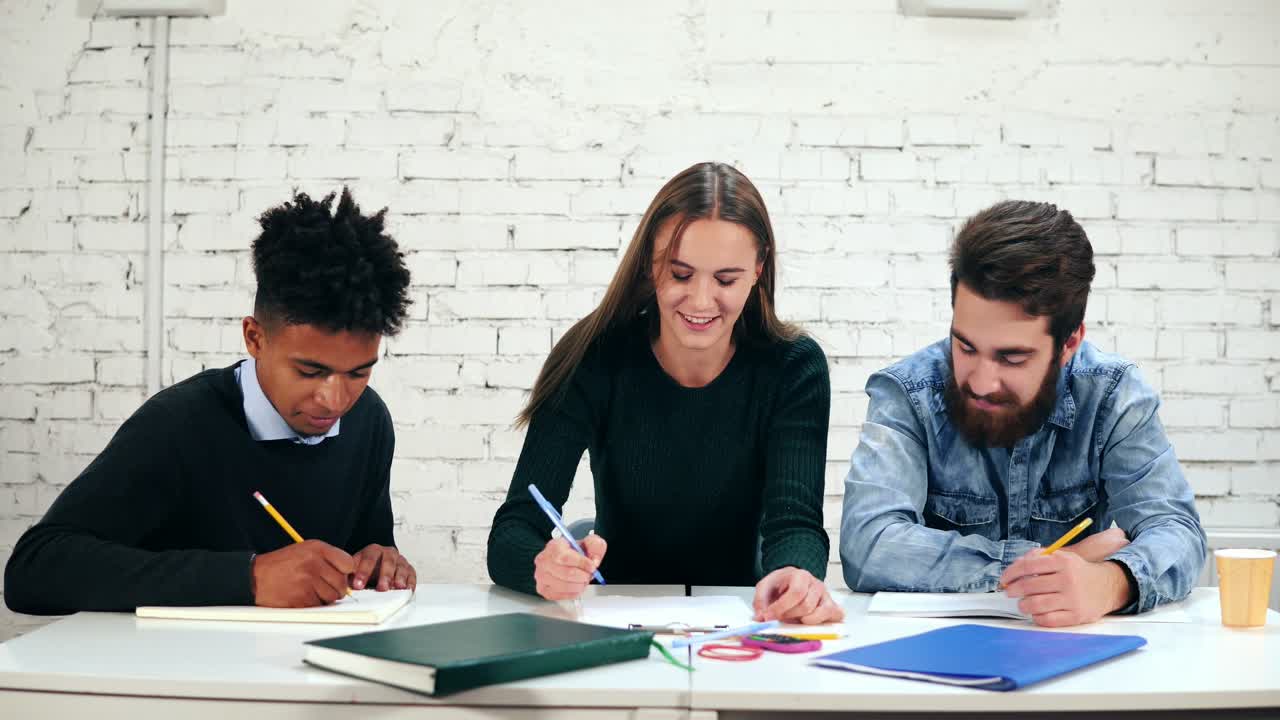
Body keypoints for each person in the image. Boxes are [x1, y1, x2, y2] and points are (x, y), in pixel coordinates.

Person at [5, 188, 418, 614]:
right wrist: (249, 578)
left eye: (358, 372)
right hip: (176, 673)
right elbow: (33, 570)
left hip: (303, 671)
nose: (335, 399)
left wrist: (379, 559)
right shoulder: (179, 425)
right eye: (309, 372)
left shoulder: (368, 421)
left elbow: (361, 556)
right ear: (254, 338)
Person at [487, 162, 842, 625]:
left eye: (726, 280)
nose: (699, 301)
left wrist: (798, 576)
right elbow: (513, 530)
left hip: (743, 617)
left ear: (759, 268)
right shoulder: (593, 358)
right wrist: (541, 566)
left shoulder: (794, 367)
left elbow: (794, 523)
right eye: (679, 273)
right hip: (615, 619)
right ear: (651, 264)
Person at [839, 200, 1207, 627]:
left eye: (1012, 358)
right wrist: (1049, 564)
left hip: (1075, 654)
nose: (980, 381)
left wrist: (1109, 582)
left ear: (1069, 344)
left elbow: (1177, 531)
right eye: (965, 346)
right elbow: (869, 546)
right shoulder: (908, 392)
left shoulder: (1113, 396)